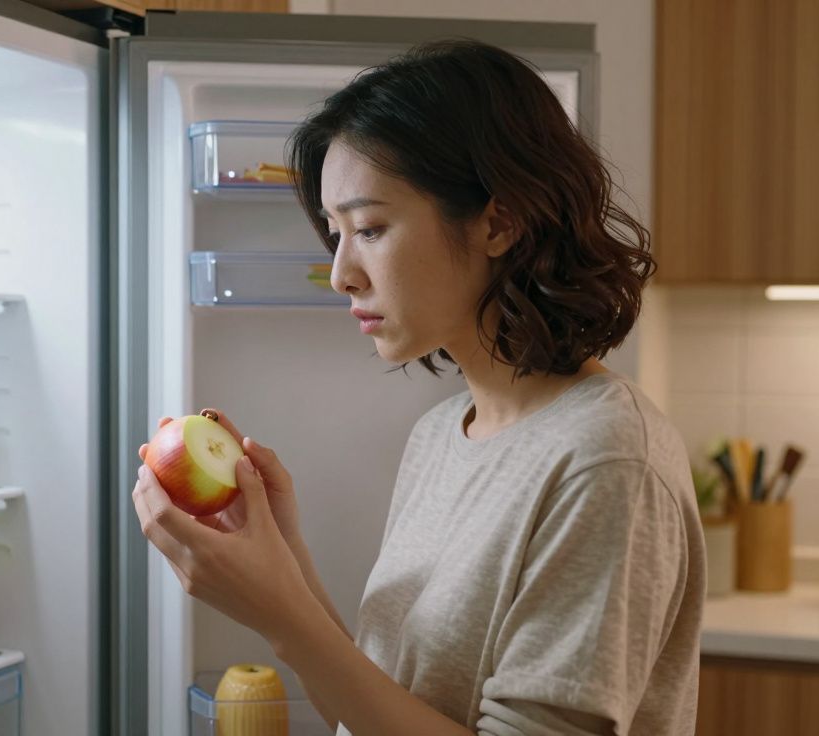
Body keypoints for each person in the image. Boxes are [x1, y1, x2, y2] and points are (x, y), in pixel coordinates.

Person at [132, 39, 703, 735]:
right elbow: (398, 695)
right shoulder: (444, 431)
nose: (342, 273)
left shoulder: (607, 460)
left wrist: (282, 620)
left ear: (500, 221)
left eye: (369, 228)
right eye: (335, 233)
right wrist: (288, 568)